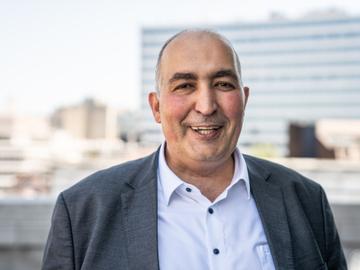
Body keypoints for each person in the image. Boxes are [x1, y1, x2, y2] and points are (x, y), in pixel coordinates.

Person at [42, 29, 347, 270]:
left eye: (223, 84)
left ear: (244, 99)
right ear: (156, 107)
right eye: (185, 86)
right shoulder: (83, 209)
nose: (206, 105)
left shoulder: (306, 199)